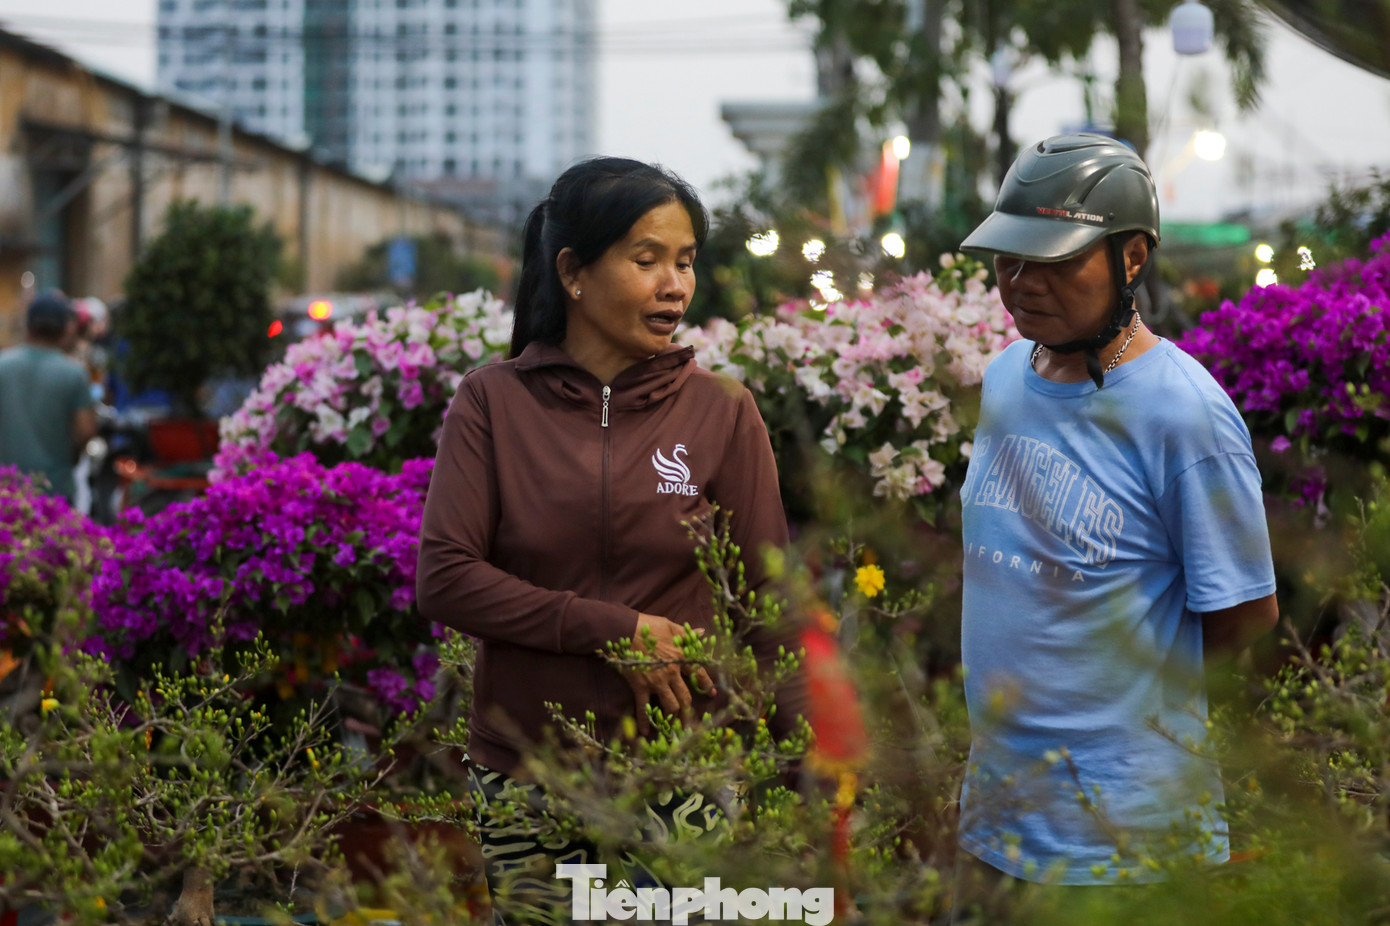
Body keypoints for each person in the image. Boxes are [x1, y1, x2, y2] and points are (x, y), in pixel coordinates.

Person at [416, 157, 808, 923]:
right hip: (529, 778)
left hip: (680, 778)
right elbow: (447, 576)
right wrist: (614, 629)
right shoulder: (492, 403)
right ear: (572, 272)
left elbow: (770, 604)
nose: (676, 285)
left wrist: (809, 775)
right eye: (647, 259)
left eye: (686, 262)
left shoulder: (722, 411)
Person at [952, 134, 1279, 890]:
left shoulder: (1185, 414)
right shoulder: (1005, 378)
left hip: (1130, 847)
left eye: (1054, 261)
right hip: (997, 824)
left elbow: (1244, 622)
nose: (1021, 283)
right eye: (1009, 258)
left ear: (1130, 258)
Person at [0, 290, 98, 504]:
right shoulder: (74, 373)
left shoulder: (2, 366)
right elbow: (86, 431)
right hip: (54, 489)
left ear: (28, 326)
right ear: (66, 329)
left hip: (6, 490)